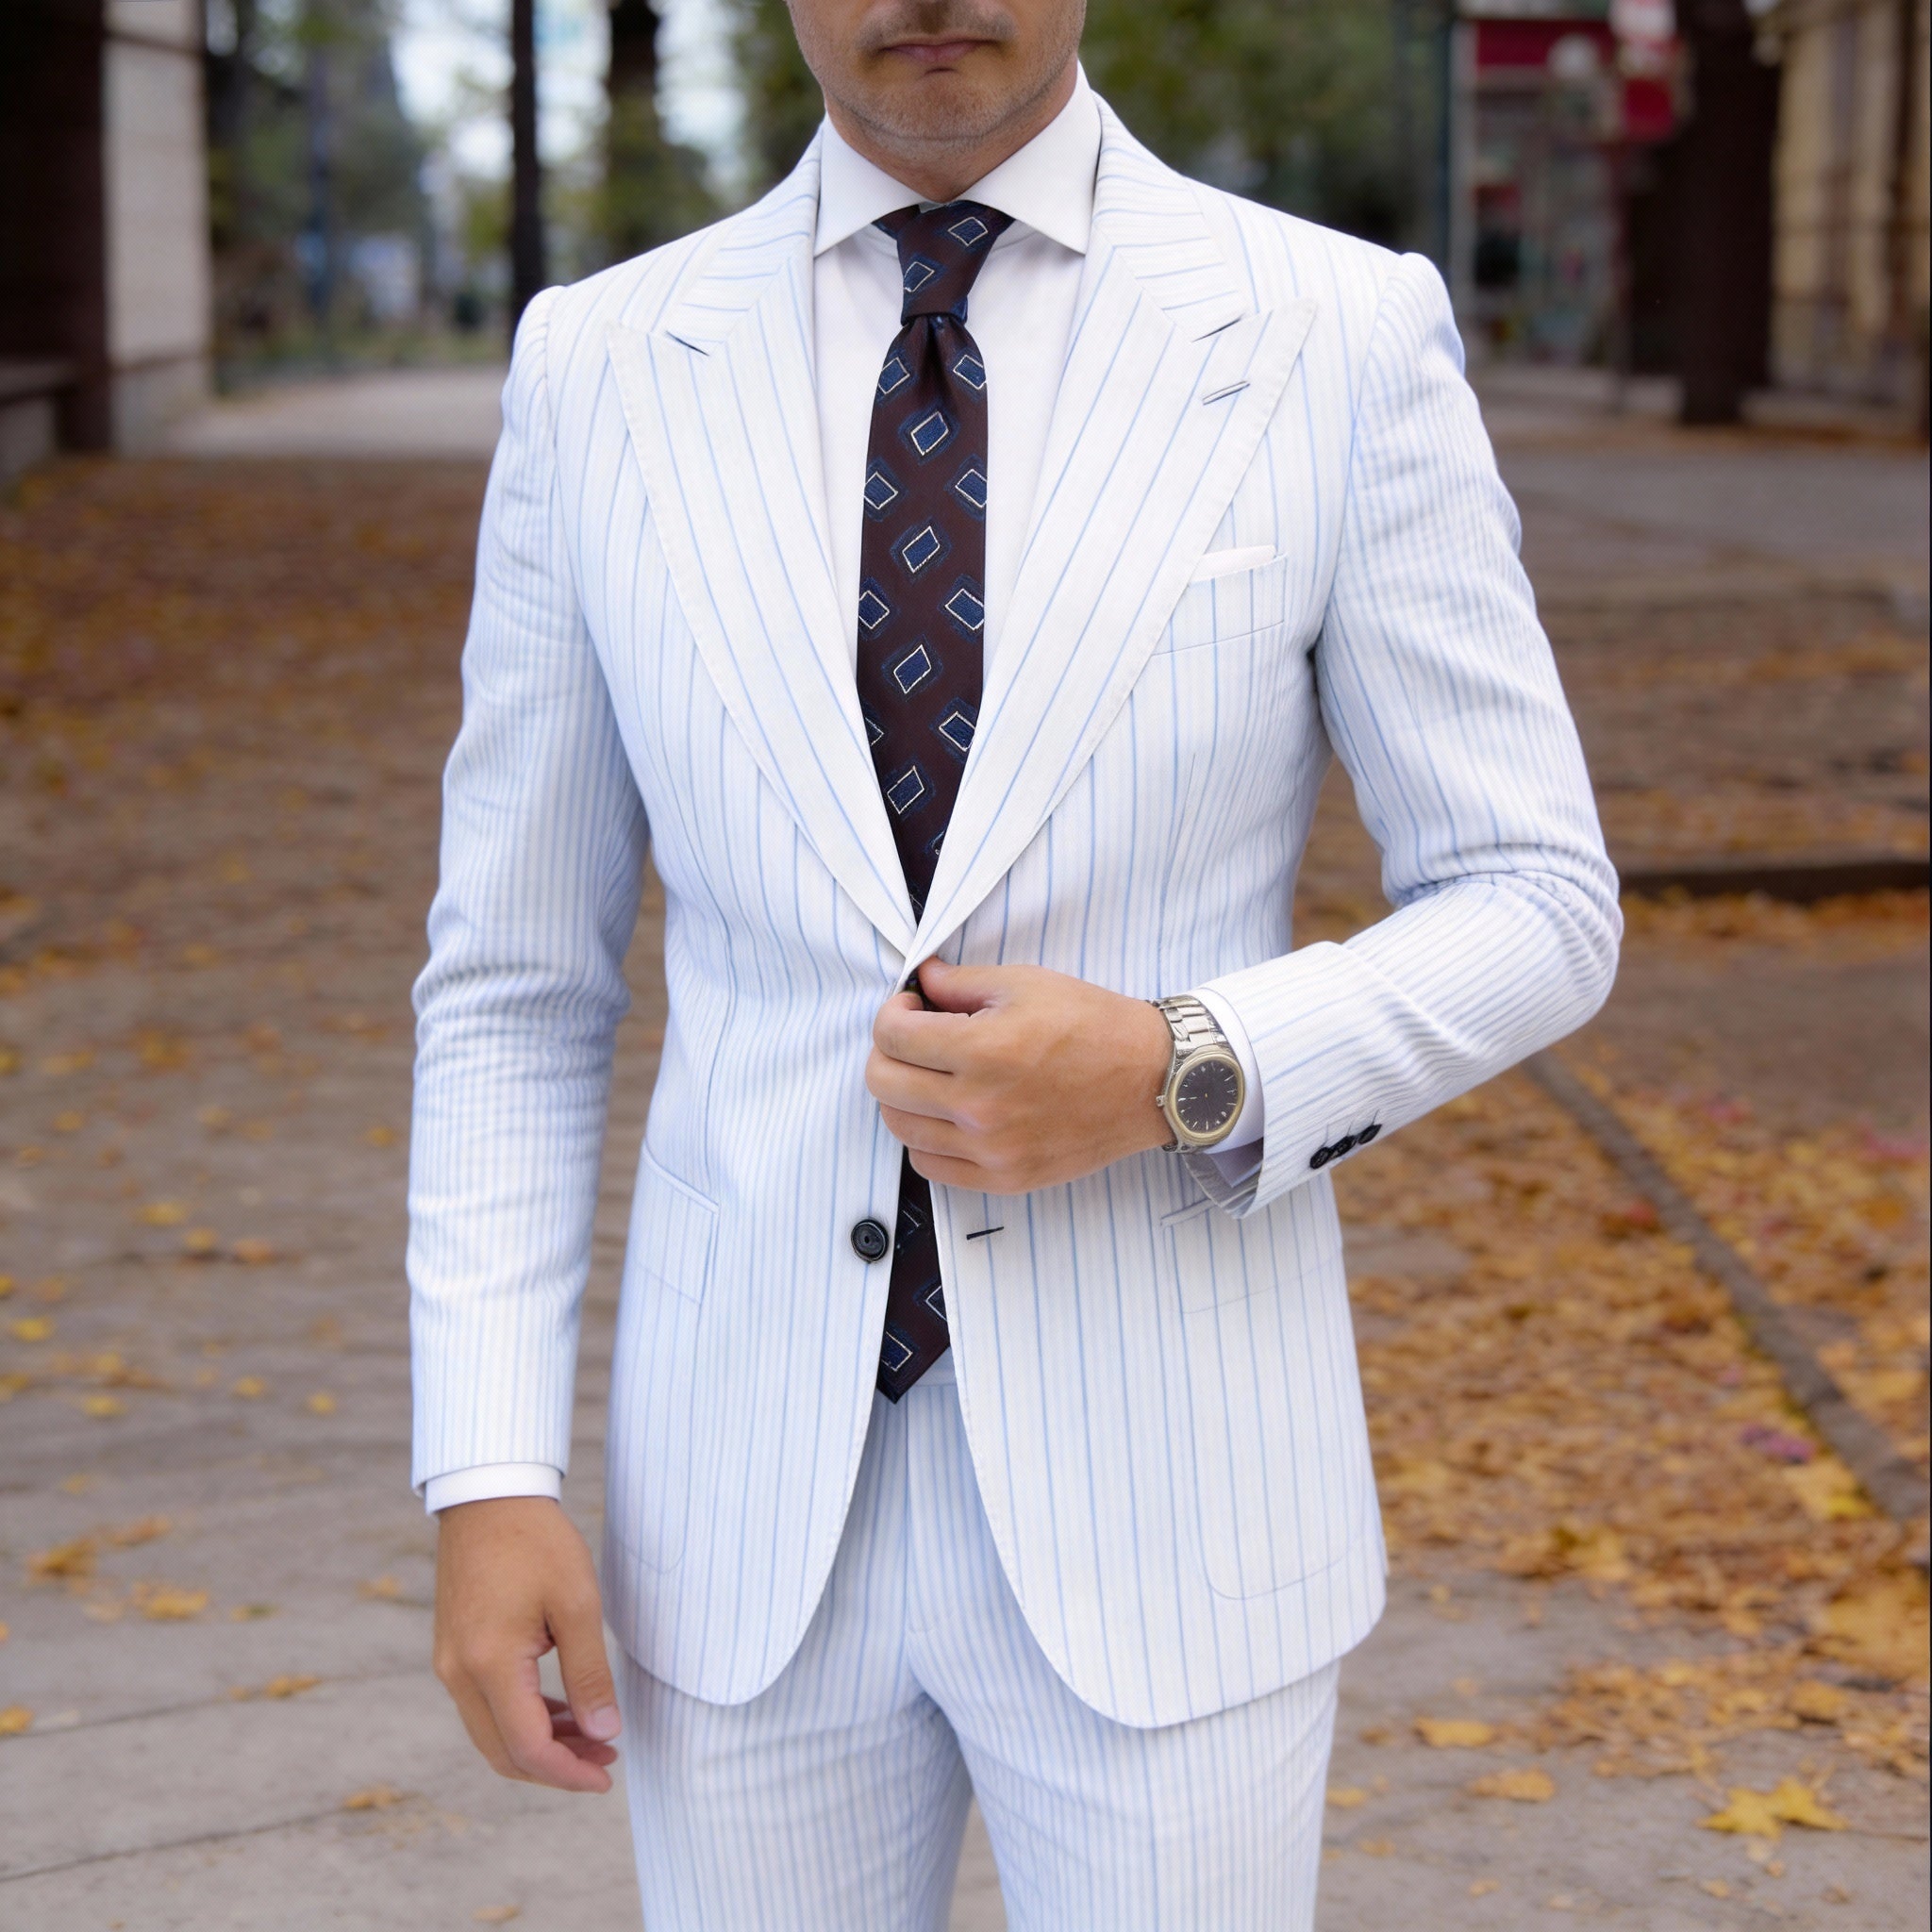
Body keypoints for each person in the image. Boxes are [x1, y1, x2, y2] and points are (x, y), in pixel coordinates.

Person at [408, 2, 1620, 1924]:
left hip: (1179, 1499)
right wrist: (483, 1465)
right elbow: (512, 981)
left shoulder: (1329, 331)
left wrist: (1181, 1063)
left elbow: (1536, 896)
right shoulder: (603, 362)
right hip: (736, 1518)